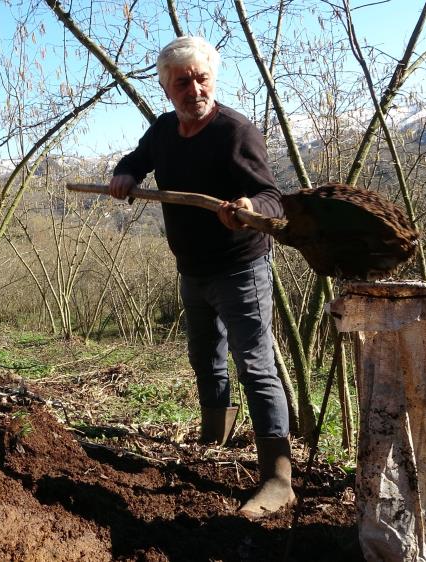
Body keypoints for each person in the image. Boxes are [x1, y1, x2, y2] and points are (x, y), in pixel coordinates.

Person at [108, 36, 294, 519]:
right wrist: (125, 174)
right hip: (192, 270)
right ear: (167, 89)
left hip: (241, 270)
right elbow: (135, 160)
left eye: (202, 78)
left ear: (213, 79)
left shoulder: (236, 132)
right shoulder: (164, 130)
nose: (194, 89)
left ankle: (278, 477)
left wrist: (251, 209)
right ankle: (214, 441)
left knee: (255, 365)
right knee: (204, 357)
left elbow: (273, 199)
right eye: (182, 82)